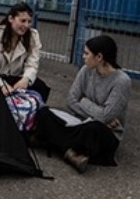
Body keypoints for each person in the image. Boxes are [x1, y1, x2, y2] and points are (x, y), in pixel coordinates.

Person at [32, 35, 132, 173]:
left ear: (99, 57)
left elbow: (105, 116)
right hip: (80, 122)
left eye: (86, 53)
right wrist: (97, 113)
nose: (83, 56)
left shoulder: (122, 81)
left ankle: (52, 141)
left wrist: (84, 101)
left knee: (93, 129)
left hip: (104, 131)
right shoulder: (86, 70)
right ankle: (69, 152)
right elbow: (71, 100)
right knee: (43, 112)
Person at [0, 2, 49, 101]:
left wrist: (26, 79)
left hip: (17, 79)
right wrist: (1, 85)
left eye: (29, 21)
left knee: (41, 87)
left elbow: (32, 64)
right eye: (23, 21)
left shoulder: (33, 36)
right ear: (10, 19)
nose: (26, 25)